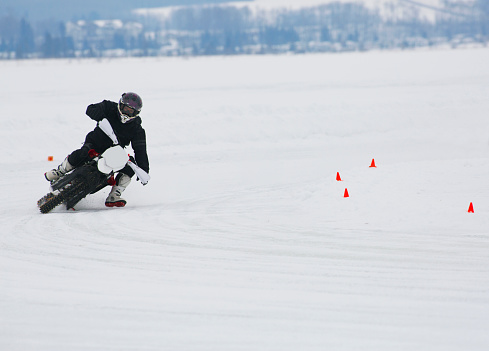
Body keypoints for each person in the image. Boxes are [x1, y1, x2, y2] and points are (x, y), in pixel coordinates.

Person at [45, 92, 149, 208]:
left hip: (113, 154)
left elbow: (140, 151)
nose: (127, 112)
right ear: (120, 105)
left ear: (136, 113)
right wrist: (100, 116)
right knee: (82, 153)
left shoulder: (137, 129)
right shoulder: (109, 107)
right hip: (95, 143)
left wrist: (144, 170)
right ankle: (59, 171)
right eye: (125, 108)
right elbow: (90, 109)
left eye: (131, 111)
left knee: (130, 167)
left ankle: (114, 195)